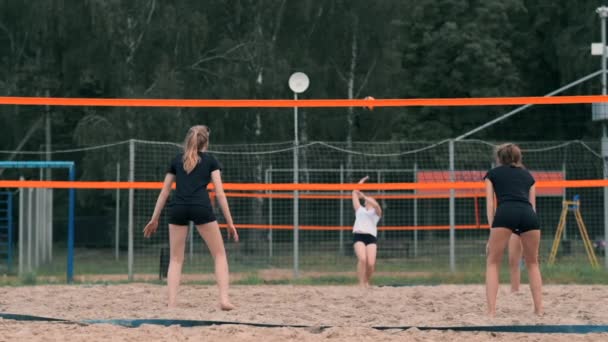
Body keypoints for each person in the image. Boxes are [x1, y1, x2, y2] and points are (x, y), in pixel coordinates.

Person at [143, 125, 239, 310]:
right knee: (219, 255)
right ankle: (224, 300)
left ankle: (171, 304)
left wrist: (154, 218)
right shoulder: (211, 161)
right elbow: (219, 193)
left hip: (178, 207)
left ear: (188, 139)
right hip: (201, 206)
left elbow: (164, 192)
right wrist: (230, 222)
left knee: (175, 259)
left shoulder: (177, 160)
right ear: (206, 141)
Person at [484, 143, 543, 316]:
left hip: (506, 212)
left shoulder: (492, 174)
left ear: (499, 158)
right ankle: (539, 310)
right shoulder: (528, 176)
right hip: (528, 215)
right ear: (518, 157)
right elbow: (533, 206)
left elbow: (489, 203)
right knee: (533, 263)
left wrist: (491, 230)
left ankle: (491, 312)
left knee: (493, 262)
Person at [351, 176, 382, 288]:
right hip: (359, 236)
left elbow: (377, 206)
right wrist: (360, 182)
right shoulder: (360, 210)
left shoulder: (376, 213)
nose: (369, 200)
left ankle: (366, 281)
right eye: (368, 200)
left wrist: (364, 196)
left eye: (372, 199)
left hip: (371, 238)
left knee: (371, 264)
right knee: (363, 259)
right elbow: (354, 193)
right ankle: (360, 284)